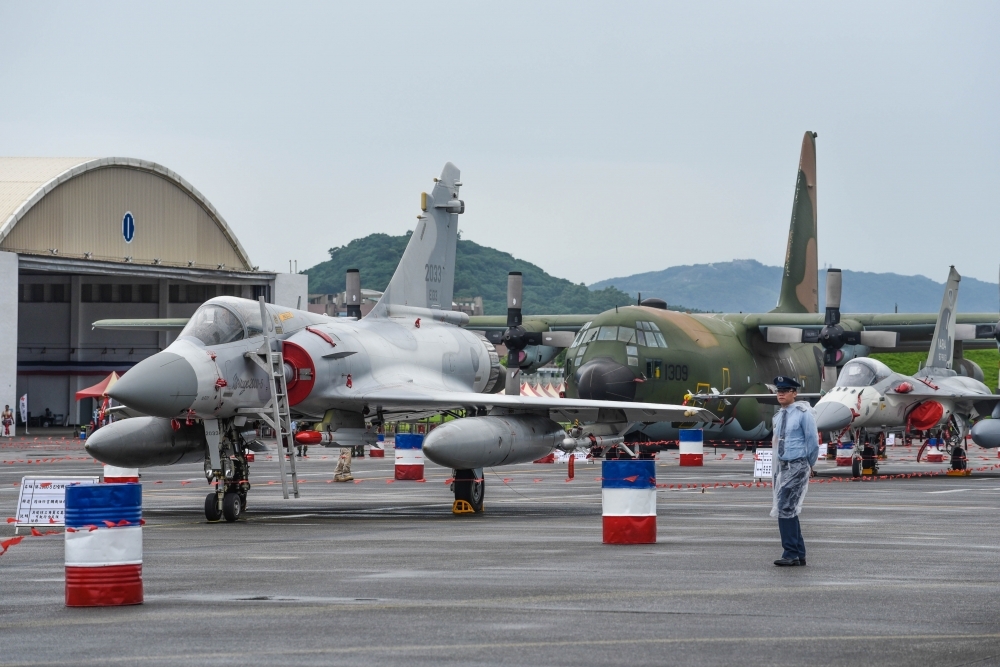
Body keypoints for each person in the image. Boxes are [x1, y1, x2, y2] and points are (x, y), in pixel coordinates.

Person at [770, 376, 819, 567]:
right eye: (778, 391)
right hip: (782, 465)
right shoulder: (778, 415)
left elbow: (812, 441)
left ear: (794, 393)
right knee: (788, 509)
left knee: (784, 508)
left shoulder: (803, 413)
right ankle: (798, 553)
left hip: (797, 464)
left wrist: (810, 464)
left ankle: (790, 552)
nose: (781, 394)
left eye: (785, 390)